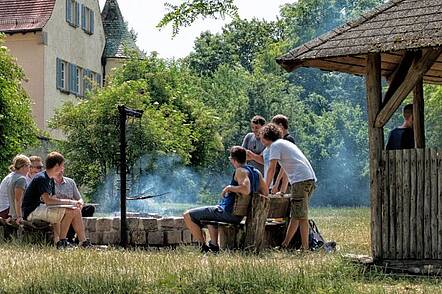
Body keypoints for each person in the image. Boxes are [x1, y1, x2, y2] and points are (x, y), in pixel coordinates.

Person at [183, 146, 268, 253]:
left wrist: (229, 188)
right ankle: (213, 245)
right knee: (210, 214)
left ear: (233, 160)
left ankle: (203, 247)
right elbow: (265, 193)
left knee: (187, 215)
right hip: (238, 214)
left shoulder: (240, 171)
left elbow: (246, 189)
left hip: (229, 213)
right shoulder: (256, 173)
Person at [260, 123, 316, 250]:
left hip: (300, 180)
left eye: (261, 137)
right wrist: (276, 186)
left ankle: (305, 248)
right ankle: (286, 244)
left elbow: (271, 169)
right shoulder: (283, 144)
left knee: (301, 216)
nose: (260, 140)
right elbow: (284, 169)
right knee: (298, 215)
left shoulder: (274, 146)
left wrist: (265, 188)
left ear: (267, 136)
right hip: (308, 179)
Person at [22, 151, 90, 248]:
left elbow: (53, 201)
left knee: (75, 209)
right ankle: (62, 242)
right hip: (32, 210)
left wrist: (71, 204)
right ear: (57, 165)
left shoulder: (50, 179)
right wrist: (70, 202)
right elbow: (48, 201)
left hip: (42, 207)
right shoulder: (41, 178)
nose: (63, 168)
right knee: (71, 211)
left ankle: (77, 242)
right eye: (62, 165)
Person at [54, 170, 94, 244]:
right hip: (58, 208)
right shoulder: (49, 183)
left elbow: (79, 198)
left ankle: (80, 240)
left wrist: (80, 203)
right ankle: (79, 240)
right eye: (57, 169)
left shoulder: (70, 182)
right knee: (74, 211)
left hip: (72, 207)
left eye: (61, 169)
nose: (60, 171)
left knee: (89, 208)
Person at [0, 155, 31, 222]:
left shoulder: (12, 176)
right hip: (9, 212)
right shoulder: (21, 179)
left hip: (8, 210)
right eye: (29, 166)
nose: (29, 169)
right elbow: (17, 200)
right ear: (24, 166)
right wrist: (19, 216)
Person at [271, 115, 296, 194]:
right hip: (279, 181)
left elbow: (286, 165)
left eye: (274, 127)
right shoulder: (282, 140)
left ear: (281, 125)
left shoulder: (288, 139)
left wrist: (278, 184)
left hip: (284, 183)